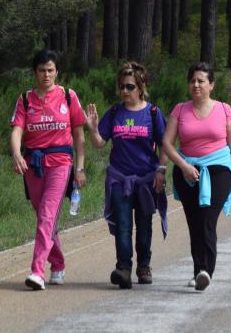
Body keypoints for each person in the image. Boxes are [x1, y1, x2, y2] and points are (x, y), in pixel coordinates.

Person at [161, 62, 231, 291]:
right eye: (192, 81)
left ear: (211, 85)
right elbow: (167, 144)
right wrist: (183, 166)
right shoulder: (180, 110)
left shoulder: (224, 109)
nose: (196, 85)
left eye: (201, 81)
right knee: (194, 222)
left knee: (207, 219)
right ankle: (198, 269)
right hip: (187, 170)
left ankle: (206, 270)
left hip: (218, 170)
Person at [84, 62, 169, 289]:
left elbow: (165, 145)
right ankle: (123, 268)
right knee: (123, 226)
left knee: (144, 226)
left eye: (130, 86)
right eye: (121, 86)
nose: (125, 91)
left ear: (141, 87)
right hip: (120, 179)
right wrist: (93, 129)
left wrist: (161, 171)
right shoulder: (114, 112)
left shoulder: (153, 113)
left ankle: (144, 266)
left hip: (145, 181)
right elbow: (100, 143)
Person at [10, 49, 86, 291]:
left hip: (61, 162)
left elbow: (78, 134)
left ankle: (37, 271)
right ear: (35, 72)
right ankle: (59, 263)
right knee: (46, 218)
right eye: (42, 70)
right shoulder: (25, 99)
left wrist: (80, 168)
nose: (46, 75)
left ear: (57, 72)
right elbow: (16, 131)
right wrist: (16, 154)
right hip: (33, 164)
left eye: (50, 70)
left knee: (47, 214)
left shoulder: (68, 96)